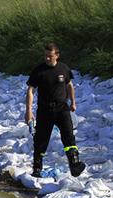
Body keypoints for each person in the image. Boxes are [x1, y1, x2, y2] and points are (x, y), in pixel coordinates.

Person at [25, 43, 85, 177]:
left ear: (57, 55)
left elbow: (69, 86)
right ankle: (37, 168)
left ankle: (75, 165)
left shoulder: (64, 69)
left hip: (62, 109)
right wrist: (28, 110)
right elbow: (30, 91)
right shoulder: (38, 71)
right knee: (41, 140)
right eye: (45, 56)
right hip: (45, 110)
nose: (47, 58)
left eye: (50, 56)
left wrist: (73, 102)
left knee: (69, 137)